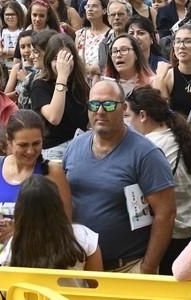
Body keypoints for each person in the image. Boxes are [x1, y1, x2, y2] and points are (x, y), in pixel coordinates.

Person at [64, 80, 176, 274]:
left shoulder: (146, 154)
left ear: (124, 108)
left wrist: (147, 267)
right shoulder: (75, 146)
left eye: (108, 104)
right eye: (94, 104)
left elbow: (166, 214)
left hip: (126, 267)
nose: (100, 111)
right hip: (79, 266)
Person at [0, 110, 71, 266]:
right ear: (9, 142)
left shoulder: (52, 173)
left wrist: (20, 233)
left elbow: (65, 225)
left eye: (36, 143)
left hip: (32, 268)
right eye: (23, 145)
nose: (30, 151)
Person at [125, 86, 191, 275]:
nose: (126, 122)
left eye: (128, 116)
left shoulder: (150, 148)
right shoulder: (185, 137)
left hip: (167, 237)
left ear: (143, 115)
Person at [0, 175, 102, 280]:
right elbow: (98, 287)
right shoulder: (84, 237)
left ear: (20, 210)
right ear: (57, 204)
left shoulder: (12, 248)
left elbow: (9, 290)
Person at [31, 34, 89, 159]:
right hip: (55, 150)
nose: (62, 63)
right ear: (49, 60)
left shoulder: (80, 85)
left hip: (81, 147)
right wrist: (62, 77)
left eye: (66, 58)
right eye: (56, 58)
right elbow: (54, 117)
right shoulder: (40, 85)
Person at [75, 0, 109, 80]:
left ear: (104, 11)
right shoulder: (80, 34)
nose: (90, 9)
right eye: (88, 6)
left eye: (94, 6)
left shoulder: (110, 34)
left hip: (103, 81)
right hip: (82, 81)